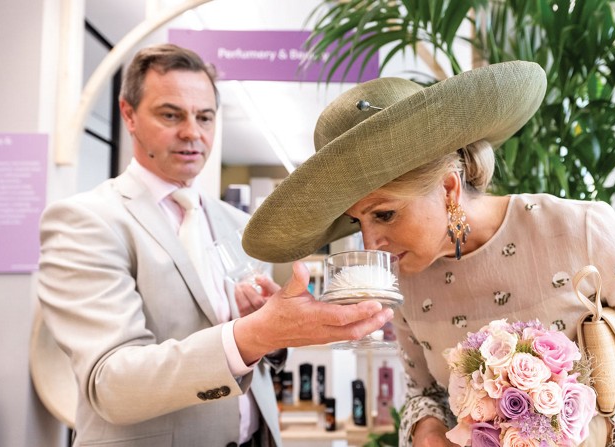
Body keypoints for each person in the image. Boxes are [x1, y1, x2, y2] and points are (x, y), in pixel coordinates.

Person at [242, 61, 615, 446]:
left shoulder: (579, 231)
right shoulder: (405, 279)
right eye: (356, 222)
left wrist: (601, 437)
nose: (369, 244)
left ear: (448, 188)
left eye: (383, 215)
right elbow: (423, 393)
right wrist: (426, 429)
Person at [36, 43, 393, 447]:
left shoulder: (238, 224)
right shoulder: (86, 221)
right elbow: (111, 382)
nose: (192, 132)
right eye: (171, 115)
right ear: (129, 114)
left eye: (204, 117)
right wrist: (251, 333)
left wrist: (271, 336)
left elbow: (250, 353)